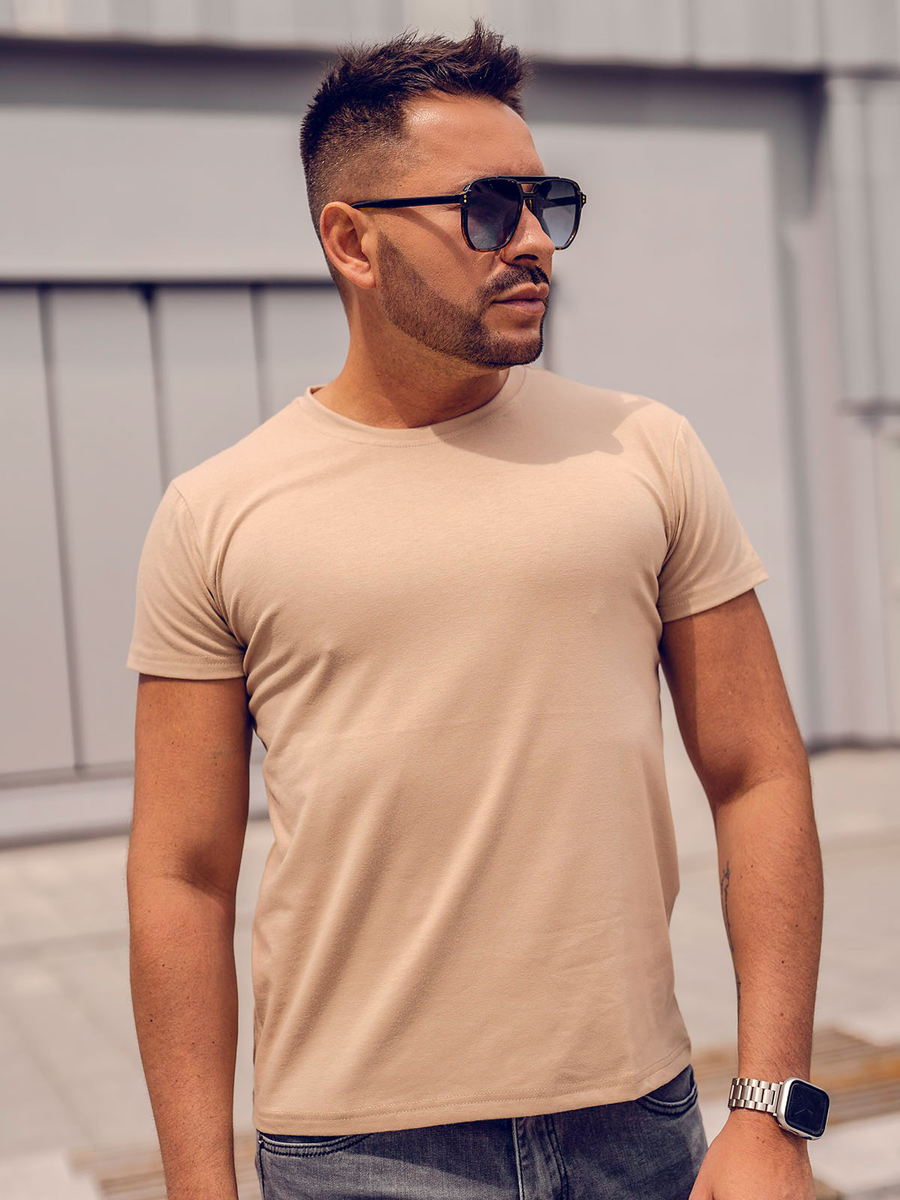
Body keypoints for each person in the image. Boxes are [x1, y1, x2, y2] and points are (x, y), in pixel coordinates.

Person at [125, 19, 824, 1200]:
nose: (536, 241)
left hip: (639, 1127)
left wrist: (771, 1113)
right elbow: (181, 875)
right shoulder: (217, 514)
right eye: (490, 209)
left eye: (546, 203)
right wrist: (199, 1186)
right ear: (351, 240)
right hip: (361, 1157)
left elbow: (757, 773)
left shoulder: (644, 451)